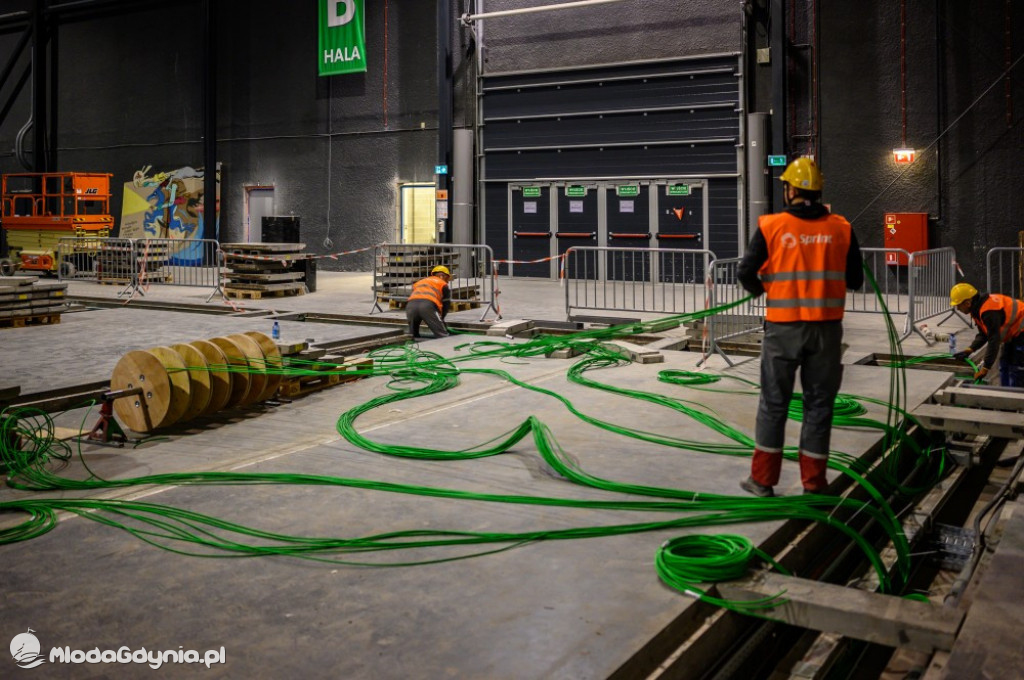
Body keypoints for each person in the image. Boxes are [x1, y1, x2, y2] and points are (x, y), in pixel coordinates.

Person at [735, 157, 864, 497]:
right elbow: (855, 280)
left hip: (783, 329)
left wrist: (767, 288)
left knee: (773, 403)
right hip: (826, 332)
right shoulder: (842, 228)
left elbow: (746, 271)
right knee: (820, 405)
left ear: (790, 190)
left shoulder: (771, 226)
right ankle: (815, 485)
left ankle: (762, 481)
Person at [949, 283, 1024, 386]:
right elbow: (984, 334)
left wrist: (985, 368)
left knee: (1017, 367)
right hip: (1016, 332)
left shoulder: (988, 311)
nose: (957, 308)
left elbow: (994, 340)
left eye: (958, 305)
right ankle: (1006, 391)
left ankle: (1016, 396)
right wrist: (970, 349)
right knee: (1005, 363)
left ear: (967, 303)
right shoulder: (977, 308)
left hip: (1021, 332)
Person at [406, 265, 452, 339]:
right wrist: (441, 320)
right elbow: (445, 305)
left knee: (413, 335)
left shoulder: (420, 282)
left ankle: (412, 346)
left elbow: (415, 294)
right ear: (445, 276)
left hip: (411, 306)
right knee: (442, 335)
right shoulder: (443, 284)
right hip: (427, 306)